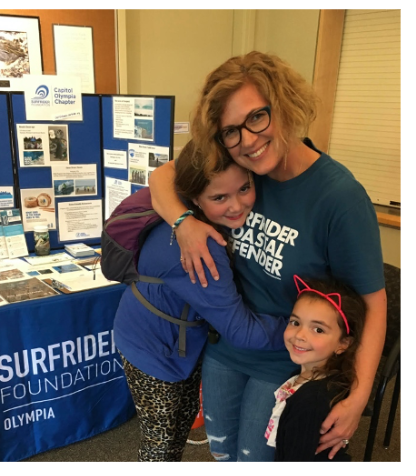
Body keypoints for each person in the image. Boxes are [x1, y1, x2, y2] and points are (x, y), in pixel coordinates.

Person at [148, 51, 386, 461]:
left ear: (286, 105)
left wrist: (359, 396)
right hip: (225, 350)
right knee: (223, 457)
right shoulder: (241, 170)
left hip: (287, 358)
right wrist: (184, 221)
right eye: (231, 131)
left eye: (258, 117)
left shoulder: (338, 197)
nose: (249, 140)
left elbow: (373, 304)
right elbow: (162, 175)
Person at [112, 142, 286, 462]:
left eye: (244, 188)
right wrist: (299, 328)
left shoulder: (177, 208)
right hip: (152, 349)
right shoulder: (202, 250)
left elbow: (165, 173)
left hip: (161, 334)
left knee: (177, 425)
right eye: (219, 197)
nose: (237, 206)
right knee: (161, 440)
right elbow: (242, 332)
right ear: (195, 199)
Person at [267, 276, 364, 462]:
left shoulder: (311, 402)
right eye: (295, 322)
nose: (300, 335)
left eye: (318, 329)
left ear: (343, 344)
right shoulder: (304, 377)